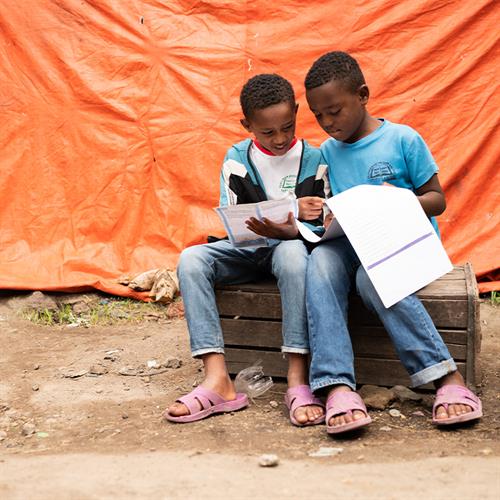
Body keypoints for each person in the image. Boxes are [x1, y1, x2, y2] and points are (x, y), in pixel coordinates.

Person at [303, 51, 482, 434]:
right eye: (319, 115)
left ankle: (445, 376)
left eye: (335, 110)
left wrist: (394, 201)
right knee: (318, 262)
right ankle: (336, 384)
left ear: (363, 94)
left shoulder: (402, 138)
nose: (328, 122)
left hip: (401, 245)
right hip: (352, 241)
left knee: (371, 279)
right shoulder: (328, 151)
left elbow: (437, 198)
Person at [164, 73, 329, 426]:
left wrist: (290, 226)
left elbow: (322, 221)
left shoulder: (316, 159)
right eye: (268, 132)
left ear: (297, 112)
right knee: (192, 259)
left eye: (287, 126)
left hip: (291, 249)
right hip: (248, 248)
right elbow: (234, 219)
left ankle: (297, 378)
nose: (281, 138)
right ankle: (217, 378)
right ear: (247, 125)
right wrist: (292, 208)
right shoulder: (237, 158)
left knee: (291, 253)